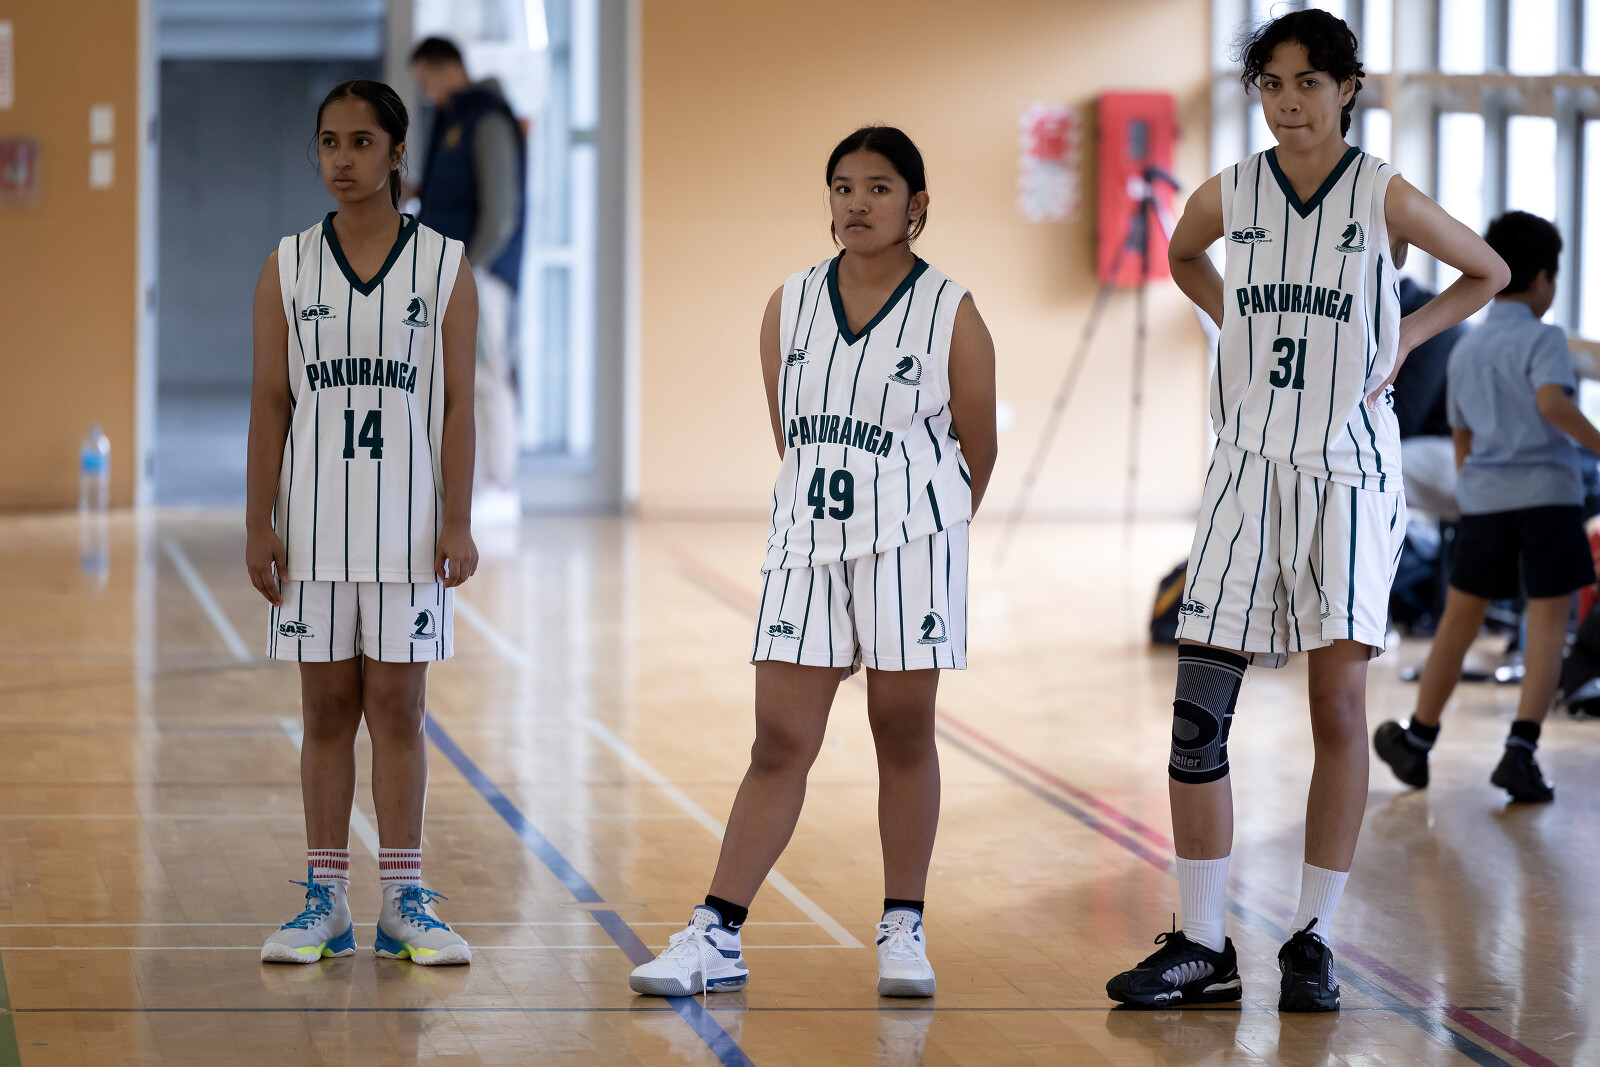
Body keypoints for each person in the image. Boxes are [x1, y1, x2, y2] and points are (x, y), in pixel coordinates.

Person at [1105, 10, 1507, 1013]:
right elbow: (1182, 254)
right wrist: (1230, 315)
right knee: (1197, 716)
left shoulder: (1381, 193)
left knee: (1335, 708)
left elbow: (1488, 272)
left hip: (1346, 476)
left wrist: (1406, 334)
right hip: (1243, 469)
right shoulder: (1230, 191)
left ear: (1347, 89)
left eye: (1308, 82)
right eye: (1271, 84)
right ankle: (1204, 943)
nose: (1287, 102)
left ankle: (1312, 936)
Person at [626, 126, 998, 999]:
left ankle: (902, 925)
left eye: (878, 187)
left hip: (911, 545)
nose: (857, 203)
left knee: (902, 733)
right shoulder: (788, 304)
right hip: (805, 545)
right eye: (842, 186)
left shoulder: (951, 310)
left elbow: (976, 449)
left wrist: (926, 532)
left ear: (917, 204)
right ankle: (717, 932)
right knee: (778, 742)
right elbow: (788, 434)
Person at [245, 79, 480, 966]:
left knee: (400, 707)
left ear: (396, 153)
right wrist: (257, 520)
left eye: (361, 142)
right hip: (312, 524)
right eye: (328, 142)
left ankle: (404, 899)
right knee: (325, 707)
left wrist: (459, 519)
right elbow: (270, 402)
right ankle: (326, 897)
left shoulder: (444, 266)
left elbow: (459, 407)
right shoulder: (287, 264)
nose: (342, 159)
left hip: (409, 526)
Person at [1375, 211, 1599, 803]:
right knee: (1547, 624)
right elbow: (1552, 404)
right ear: (1545, 278)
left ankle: (1418, 739)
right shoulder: (1545, 338)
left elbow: (1462, 436)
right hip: (1548, 499)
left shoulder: (1467, 348)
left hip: (1485, 502)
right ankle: (1520, 751)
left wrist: (1474, 486)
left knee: (1459, 620)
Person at [410, 37, 524, 506]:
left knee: (485, 374)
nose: (425, 93)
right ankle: (472, 484)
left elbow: (499, 214)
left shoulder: (487, 119)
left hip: (480, 273)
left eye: (426, 81)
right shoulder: (452, 119)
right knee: (459, 377)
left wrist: (469, 269)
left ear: (449, 69)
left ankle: (498, 482)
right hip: (454, 271)